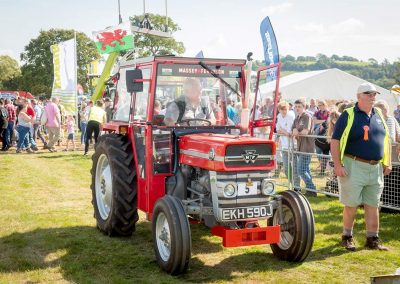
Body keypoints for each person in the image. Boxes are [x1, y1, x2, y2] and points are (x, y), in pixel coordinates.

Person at [331, 82, 391, 251]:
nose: (372, 97)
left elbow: (385, 139)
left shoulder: (379, 113)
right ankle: (347, 236)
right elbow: (335, 140)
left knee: (373, 204)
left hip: (376, 167)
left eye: (374, 94)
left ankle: (373, 239)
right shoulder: (348, 114)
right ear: (358, 96)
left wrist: (387, 162)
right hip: (353, 164)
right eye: (368, 94)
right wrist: (337, 164)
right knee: (351, 204)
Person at [292, 98, 317, 196]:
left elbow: (305, 132)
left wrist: (296, 132)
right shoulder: (297, 118)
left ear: (304, 107)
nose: (297, 108)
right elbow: (293, 129)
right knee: (305, 169)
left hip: (307, 147)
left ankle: (312, 189)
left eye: (299, 107)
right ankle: (311, 191)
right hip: (299, 147)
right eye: (296, 106)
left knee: (301, 170)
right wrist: (296, 131)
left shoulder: (307, 117)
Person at [276, 101, 295, 178]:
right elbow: (277, 129)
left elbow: (289, 132)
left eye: (285, 109)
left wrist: (282, 131)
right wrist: (284, 132)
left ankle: (295, 185)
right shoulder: (279, 116)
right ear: (279, 110)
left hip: (292, 144)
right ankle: (290, 182)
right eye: (282, 109)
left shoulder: (291, 115)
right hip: (283, 144)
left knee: (294, 166)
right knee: (286, 167)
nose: (284, 111)